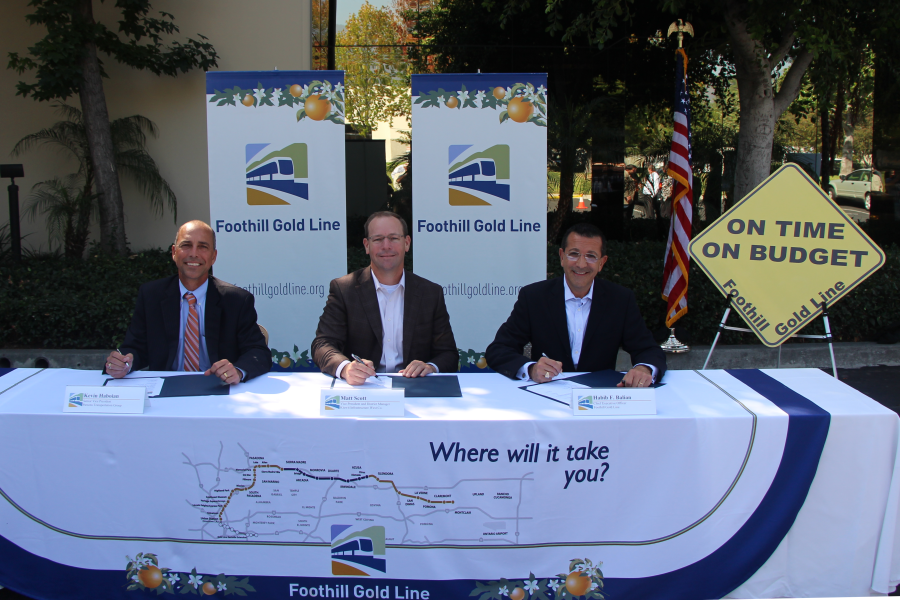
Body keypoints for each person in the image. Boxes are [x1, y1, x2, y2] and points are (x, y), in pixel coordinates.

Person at [485, 223, 666, 387]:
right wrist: (531, 369)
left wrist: (644, 368)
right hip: (546, 396)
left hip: (601, 398)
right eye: (574, 254)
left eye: (591, 256)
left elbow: (648, 349)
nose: (581, 264)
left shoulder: (620, 299)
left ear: (602, 263)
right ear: (562, 256)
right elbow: (499, 350)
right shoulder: (534, 297)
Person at [105, 220, 270, 384]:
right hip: (166, 388)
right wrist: (124, 362)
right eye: (186, 245)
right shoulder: (151, 295)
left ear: (213, 256)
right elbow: (135, 347)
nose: (194, 253)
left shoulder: (236, 300)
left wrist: (238, 371)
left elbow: (258, 352)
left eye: (203, 247)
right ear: (174, 252)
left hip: (219, 388)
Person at [312, 211, 458, 385]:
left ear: (407, 243)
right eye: (378, 239)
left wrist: (431, 367)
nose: (386, 246)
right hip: (364, 389)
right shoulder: (344, 290)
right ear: (367, 245)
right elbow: (322, 344)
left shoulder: (431, 293)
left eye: (394, 238)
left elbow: (448, 354)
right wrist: (345, 368)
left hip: (415, 389)